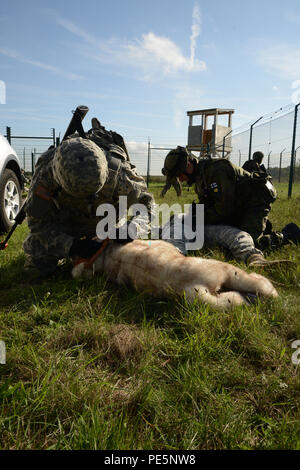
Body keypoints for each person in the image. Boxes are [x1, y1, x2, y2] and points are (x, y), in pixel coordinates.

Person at [23, 121, 155, 279]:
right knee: (38, 257)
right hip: (66, 228)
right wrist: (71, 246)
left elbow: (147, 207)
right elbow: (38, 226)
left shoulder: (119, 172)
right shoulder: (46, 175)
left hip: (107, 230)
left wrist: (132, 228)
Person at [161, 147, 300, 266]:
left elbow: (223, 210)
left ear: (188, 165)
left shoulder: (217, 170)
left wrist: (198, 219)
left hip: (254, 203)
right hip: (237, 206)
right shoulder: (200, 177)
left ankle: (287, 234)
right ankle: (260, 226)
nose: (180, 179)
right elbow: (211, 204)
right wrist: (195, 215)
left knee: (252, 244)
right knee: (225, 242)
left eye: (179, 175)